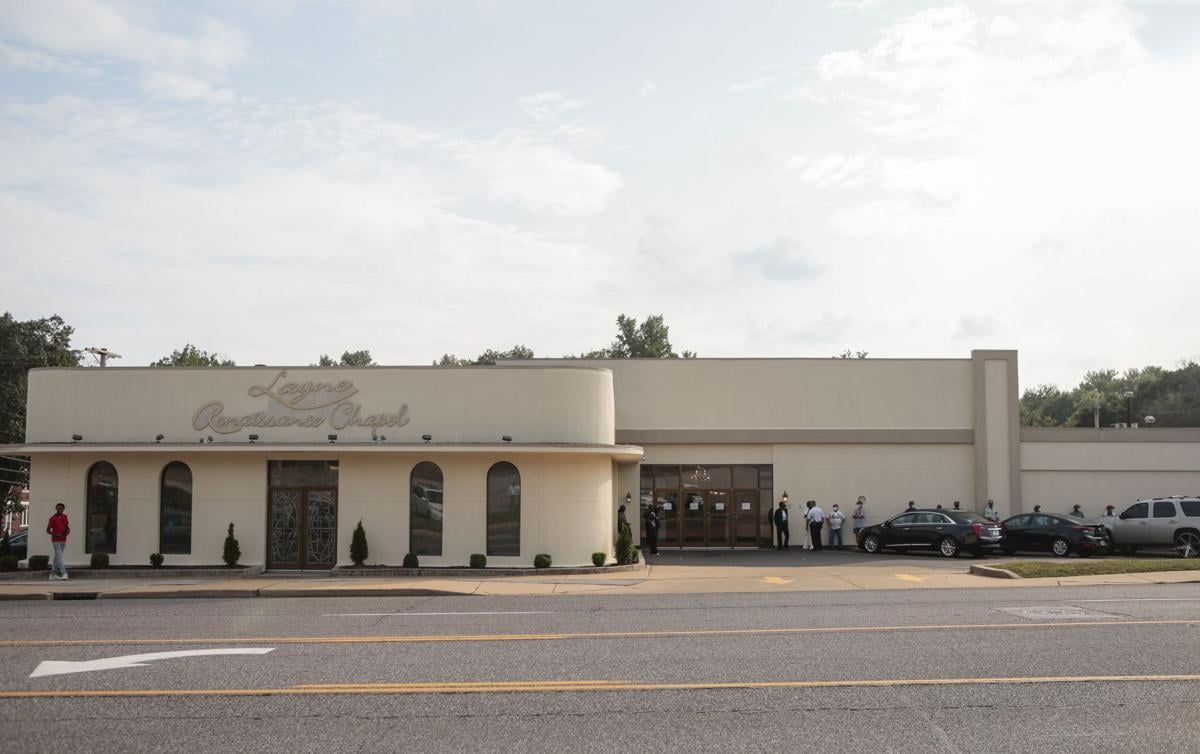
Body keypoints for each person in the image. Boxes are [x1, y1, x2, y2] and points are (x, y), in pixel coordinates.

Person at [46, 502, 70, 581]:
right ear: (56, 509)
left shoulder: (65, 517)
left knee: (57, 557)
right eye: (58, 508)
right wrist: (56, 534)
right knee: (59, 557)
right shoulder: (52, 518)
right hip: (56, 540)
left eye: (61, 508)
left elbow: (67, 527)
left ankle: (52, 575)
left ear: (63, 509)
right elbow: (48, 530)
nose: (59, 509)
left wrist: (67, 531)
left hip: (63, 540)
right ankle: (64, 573)